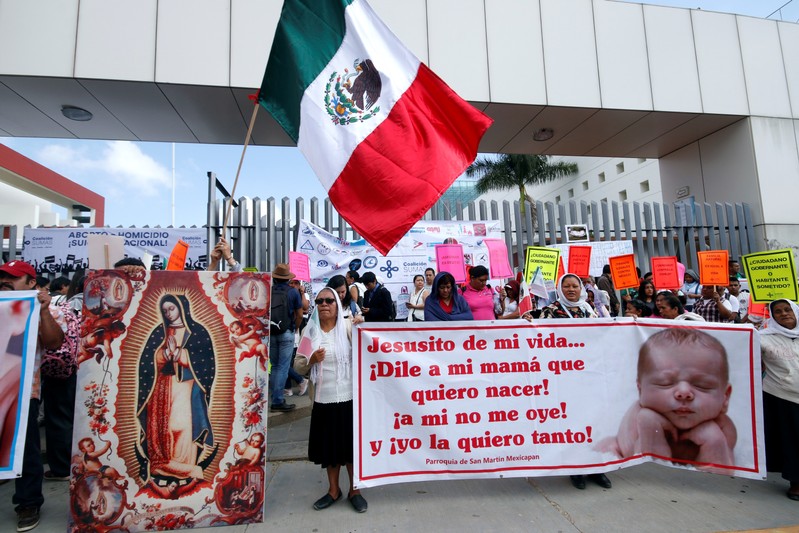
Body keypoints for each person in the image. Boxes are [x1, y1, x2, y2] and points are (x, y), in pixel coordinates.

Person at [0, 260, 67, 532]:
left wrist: (42, 311)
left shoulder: (42, 309)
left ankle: (28, 503)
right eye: (2, 278)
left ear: (31, 284)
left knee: (25, 450)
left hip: (23, 391)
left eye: (12, 279)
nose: (5, 283)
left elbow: (54, 342)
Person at [611, 329, 735, 465]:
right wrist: (651, 432)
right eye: (665, 383)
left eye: (702, 385)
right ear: (640, 390)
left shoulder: (723, 427)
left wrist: (714, 443)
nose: (683, 393)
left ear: (725, 397)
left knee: (714, 435)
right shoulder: (640, 417)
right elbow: (638, 461)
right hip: (646, 472)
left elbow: (724, 470)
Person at [135, 293, 216, 498]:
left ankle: (185, 465)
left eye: (172, 308)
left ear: (182, 308)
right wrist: (163, 355)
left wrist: (180, 355)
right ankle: (169, 467)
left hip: (187, 387)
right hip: (162, 387)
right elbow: (147, 360)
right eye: (165, 310)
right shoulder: (159, 332)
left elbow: (206, 362)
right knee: (164, 428)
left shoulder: (197, 331)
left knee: (181, 426)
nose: (168, 313)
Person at [294, 288, 367, 513]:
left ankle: (355, 490)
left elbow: (367, 349)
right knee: (330, 449)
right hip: (323, 400)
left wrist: (362, 326)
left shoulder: (348, 327)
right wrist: (311, 360)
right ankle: (333, 491)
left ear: (337, 304)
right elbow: (298, 364)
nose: (324, 304)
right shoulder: (311, 331)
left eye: (329, 301)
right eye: (319, 301)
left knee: (350, 448)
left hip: (349, 398)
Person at [539, 274, 609, 489]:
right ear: (560, 289)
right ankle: (575, 469)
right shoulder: (550, 311)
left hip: (590, 374)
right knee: (572, 423)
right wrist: (528, 322)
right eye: (567, 286)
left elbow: (606, 334)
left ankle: (597, 468)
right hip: (565, 376)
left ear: (581, 288)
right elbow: (536, 334)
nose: (571, 290)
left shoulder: (590, 310)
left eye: (575, 286)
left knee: (594, 421)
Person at [759, 299, 799, 500]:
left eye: (787, 309)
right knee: (792, 441)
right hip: (783, 396)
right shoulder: (763, 338)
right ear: (772, 317)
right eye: (778, 311)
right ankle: (796, 482)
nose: (784, 314)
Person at [269, 264, 303, 412]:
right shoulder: (293, 292)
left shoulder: (268, 291)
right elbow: (300, 314)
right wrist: (295, 328)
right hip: (286, 332)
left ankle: (275, 397)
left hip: (271, 332)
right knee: (283, 367)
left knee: (275, 366)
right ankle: (277, 400)